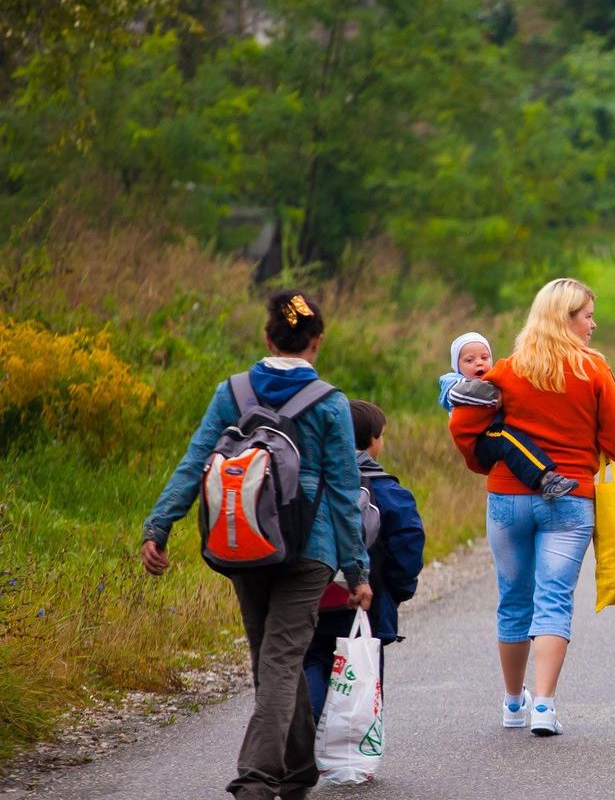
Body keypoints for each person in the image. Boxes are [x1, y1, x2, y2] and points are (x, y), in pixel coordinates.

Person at [140, 290, 371, 800]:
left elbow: (196, 459)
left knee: (269, 655)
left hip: (241, 538)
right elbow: (341, 488)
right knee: (282, 658)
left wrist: (160, 525)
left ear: (267, 338)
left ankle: (292, 769)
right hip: (310, 551)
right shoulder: (329, 403)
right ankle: (260, 778)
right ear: (317, 343)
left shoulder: (233, 392)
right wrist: (356, 571)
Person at [449, 278, 615, 736]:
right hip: (570, 500)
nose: (593, 323)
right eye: (587, 315)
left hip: (507, 497)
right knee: (553, 599)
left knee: (513, 599)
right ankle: (544, 707)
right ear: (565, 318)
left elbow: (466, 429)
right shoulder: (594, 370)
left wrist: (483, 460)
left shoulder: (506, 372)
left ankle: (513, 703)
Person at [303, 400, 425, 720]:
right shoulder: (386, 489)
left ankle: (306, 738)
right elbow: (409, 541)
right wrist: (397, 590)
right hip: (368, 600)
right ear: (372, 441)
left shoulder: (312, 481)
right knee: (361, 675)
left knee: (313, 659)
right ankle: (352, 751)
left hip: (314, 592)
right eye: (381, 435)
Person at [438, 331, 579, 501]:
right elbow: (462, 394)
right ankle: (547, 479)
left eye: (485, 357)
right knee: (505, 438)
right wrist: (498, 393)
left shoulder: (492, 376)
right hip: (480, 442)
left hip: (492, 435)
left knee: (512, 438)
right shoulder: (452, 382)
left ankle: (547, 476)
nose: (479, 363)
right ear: (457, 365)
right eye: (469, 360)